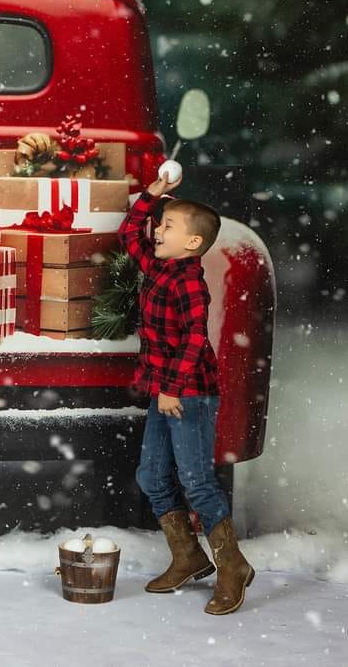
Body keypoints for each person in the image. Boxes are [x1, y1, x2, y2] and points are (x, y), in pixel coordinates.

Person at [120, 173, 255, 615]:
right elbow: (128, 234)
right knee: (151, 476)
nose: (157, 230)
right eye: (160, 224)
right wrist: (152, 195)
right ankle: (188, 556)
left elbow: (196, 338)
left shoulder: (189, 283)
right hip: (165, 391)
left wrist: (173, 389)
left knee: (196, 481)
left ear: (193, 243)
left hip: (189, 394)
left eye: (168, 226)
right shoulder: (158, 266)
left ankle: (233, 565)